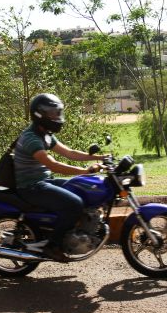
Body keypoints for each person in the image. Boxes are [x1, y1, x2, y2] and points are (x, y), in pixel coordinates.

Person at [14, 93, 106, 261]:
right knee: (74, 203)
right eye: (52, 113)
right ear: (40, 114)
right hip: (31, 187)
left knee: (80, 188)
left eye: (58, 113)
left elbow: (69, 153)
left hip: (43, 181)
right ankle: (53, 245)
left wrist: (99, 158)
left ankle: (72, 233)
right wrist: (85, 171)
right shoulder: (31, 138)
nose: (57, 117)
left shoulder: (45, 134)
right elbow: (54, 165)